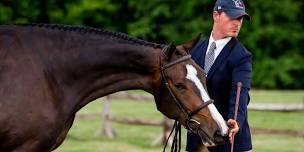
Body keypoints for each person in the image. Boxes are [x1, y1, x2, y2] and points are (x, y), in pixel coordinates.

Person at [186, 0, 252, 152]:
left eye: (240, 19)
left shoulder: (241, 56)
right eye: (232, 17)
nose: (237, 23)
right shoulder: (195, 50)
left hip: (228, 141)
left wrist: (236, 121)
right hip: (196, 141)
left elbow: (240, 93)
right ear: (216, 15)